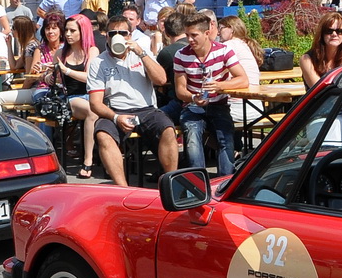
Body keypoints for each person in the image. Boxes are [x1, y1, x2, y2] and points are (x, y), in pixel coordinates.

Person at [90, 14, 179, 186]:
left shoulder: (141, 54)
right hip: (115, 110)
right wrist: (116, 117)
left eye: (123, 33)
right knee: (103, 134)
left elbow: (161, 80)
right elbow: (95, 103)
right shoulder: (98, 62)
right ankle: (122, 188)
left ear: (130, 35)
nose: (118, 37)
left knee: (168, 129)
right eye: (112, 33)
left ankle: (171, 183)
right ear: (106, 36)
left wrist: (141, 53)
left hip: (146, 109)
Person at [173, 12, 249, 175]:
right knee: (192, 138)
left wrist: (220, 86)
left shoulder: (223, 51)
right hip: (193, 106)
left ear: (207, 33)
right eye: (187, 35)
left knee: (226, 139)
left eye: (194, 35)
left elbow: (243, 79)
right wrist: (193, 97)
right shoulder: (181, 55)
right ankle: (198, 185)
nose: (190, 40)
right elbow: (180, 90)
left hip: (219, 105)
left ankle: (226, 182)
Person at [52, 15, 101, 178]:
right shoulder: (61, 52)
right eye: (66, 30)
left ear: (83, 31)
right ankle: (88, 161)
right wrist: (48, 76)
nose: (68, 34)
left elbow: (90, 77)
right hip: (71, 98)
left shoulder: (92, 51)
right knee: (91, 111)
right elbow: (52, 79)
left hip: (91, 94)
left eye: (73, 30)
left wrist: (66, 71)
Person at [302, 11, 342, 88]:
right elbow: (319, 89)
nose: (334, 34)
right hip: (320, 99)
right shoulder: (307, 59)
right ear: (321, 34)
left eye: (339, 31)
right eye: (329, 31)